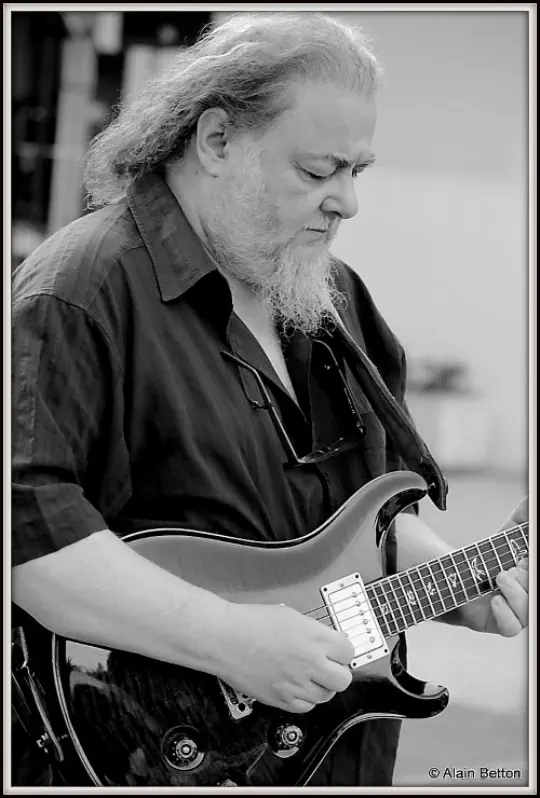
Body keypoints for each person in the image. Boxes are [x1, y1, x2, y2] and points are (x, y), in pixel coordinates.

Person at [11, 12, 528, 788]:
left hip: (336, 753)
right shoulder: (81, 291)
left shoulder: (334, 296)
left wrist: (459, 580)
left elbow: (370, 513)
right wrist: (230, 639)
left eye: (358, 172)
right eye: (319, 172)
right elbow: (26, 531)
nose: (346, 202)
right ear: (217, 140)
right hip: (144, 756)